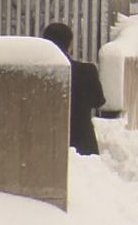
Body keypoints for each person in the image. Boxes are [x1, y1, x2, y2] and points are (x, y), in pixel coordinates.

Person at [42, 23, 105, 156]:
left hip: (47, 143)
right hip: (82, 142)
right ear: (70, 44)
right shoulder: (87, 72)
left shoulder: (39, 76)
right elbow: (98, 101)